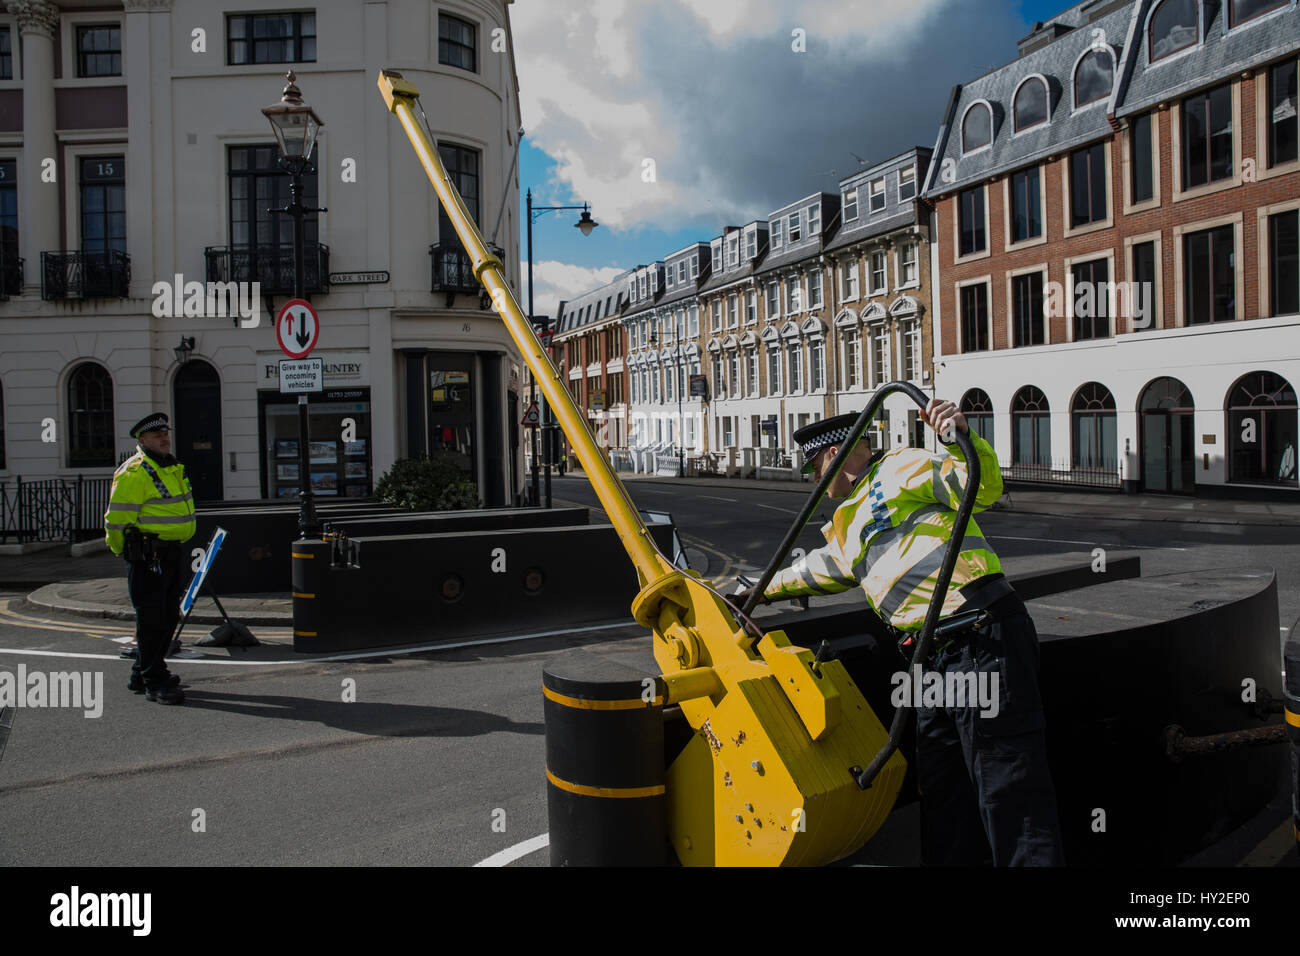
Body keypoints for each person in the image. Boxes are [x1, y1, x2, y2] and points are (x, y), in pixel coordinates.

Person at [740, 400, 1065, 866]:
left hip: (978, 635)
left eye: (815, 467)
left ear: (833, 455)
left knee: (1008, 791)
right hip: (929, 659)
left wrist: (960, 437)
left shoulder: (900, 465)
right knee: (944, 794)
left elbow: (982, 485)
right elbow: (814, 570)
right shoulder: (847, 522)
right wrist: (748, 592)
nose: (813, 481)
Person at [104, 413, 197, 705]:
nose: (164, 439)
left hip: (170, 552)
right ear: (142, 440)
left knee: (168, 614)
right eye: (157, 436)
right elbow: (116, 519)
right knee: (152, 618)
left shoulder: (171, 467)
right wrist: (123, 551)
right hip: (148, 556)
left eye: (165, 434)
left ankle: (139, 672)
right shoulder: (135, 472)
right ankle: (154, 680)